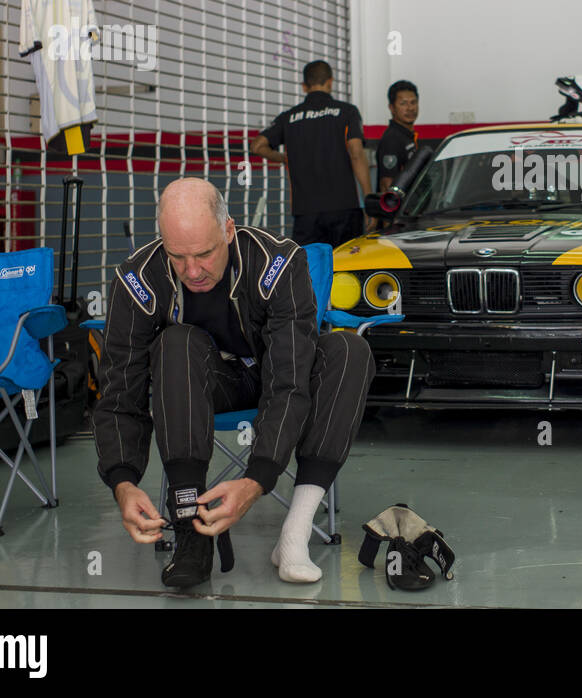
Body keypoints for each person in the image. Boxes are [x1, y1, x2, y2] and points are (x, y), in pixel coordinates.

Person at [93, 178, 375, 587]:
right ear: (163, 243)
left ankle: (294, 536)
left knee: (350, 350)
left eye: (204, 254)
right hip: (206, 388)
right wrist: (121, 480)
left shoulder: (278, 263)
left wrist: (257, 478)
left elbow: (290, 378)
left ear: (228, 228)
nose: (193, 271)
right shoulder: (137, 280)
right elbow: (119, 390)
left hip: (274, 377)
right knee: (175, 341)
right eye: (178, 256)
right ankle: (192, 531)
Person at [250, 59, 371, 247]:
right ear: (330, 82)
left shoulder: (289, 117)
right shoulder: (347, 112)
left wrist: (283, 158)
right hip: (345, 208)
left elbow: (257, 146)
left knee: (310, 270)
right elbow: (356, 153)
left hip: (306, 213)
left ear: (305, 86)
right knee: (346, 267)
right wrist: (369, 197)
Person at [377, 79, 419, 192]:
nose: (410, 108)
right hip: (401, 208)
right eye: (403, 104)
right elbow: (387, 184)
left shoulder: (407, 136)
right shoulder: (392, 139)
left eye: (413, 102)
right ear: (392, 108)